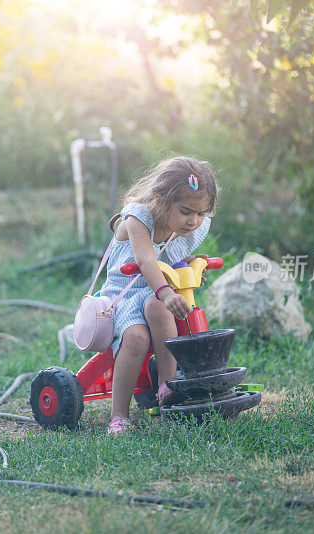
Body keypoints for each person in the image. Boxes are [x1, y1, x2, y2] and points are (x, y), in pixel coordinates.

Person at [100, 156, 218, 435]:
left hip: (155, 291)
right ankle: (119, 415)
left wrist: (187, 262)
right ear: (161, 199)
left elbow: (165, 257)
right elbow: (146, 261)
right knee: (137, 338)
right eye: (187, 211)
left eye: (201, 214)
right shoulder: (138, 216)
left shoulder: (183, 227)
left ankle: (168, 387)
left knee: (160, 309)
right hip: (124, 294)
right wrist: (166, 293)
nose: (194, 221)